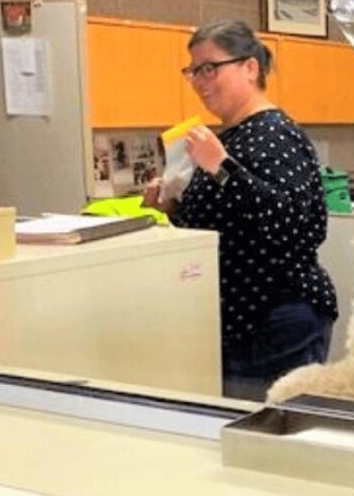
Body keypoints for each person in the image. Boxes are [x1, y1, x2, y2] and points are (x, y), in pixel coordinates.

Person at [144, 20, 337, 400]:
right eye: (193, 71)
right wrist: (170, 207)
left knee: (273, 444)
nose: (199, 81)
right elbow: (226, 225)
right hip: (237, 323)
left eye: (210, 68)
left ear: (250, 68)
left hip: (277, 320)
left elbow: (298, 226)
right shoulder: (229, 138)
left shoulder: (275, 133)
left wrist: (221, 167)